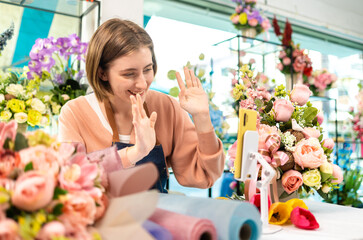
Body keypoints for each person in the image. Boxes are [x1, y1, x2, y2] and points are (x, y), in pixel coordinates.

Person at [58, 18, 225, 193]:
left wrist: (202, 118)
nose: (142, 84)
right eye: (129, 74)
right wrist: (136, 152)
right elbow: (71, 179)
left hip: (154, 215)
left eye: (147, 70)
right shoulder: (74, 113)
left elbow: (205, 175)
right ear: (102, 73)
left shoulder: (167, 107)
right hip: (100, 218)